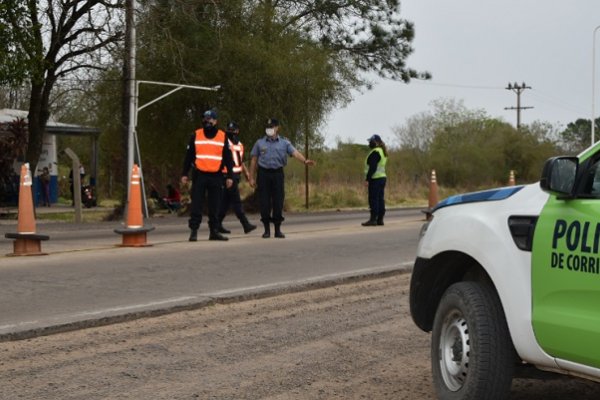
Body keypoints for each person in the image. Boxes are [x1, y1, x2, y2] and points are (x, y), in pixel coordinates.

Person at [249, 118, 316, 239]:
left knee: (278, 202)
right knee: (264, 202)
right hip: (263, 174)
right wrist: (251, 177)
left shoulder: (284, 143)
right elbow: (254, 160)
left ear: (277, 128)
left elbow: (295, 153)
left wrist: (305, 161)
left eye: (272, 126)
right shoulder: (259, 143)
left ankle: (277, 230)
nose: (270, 129)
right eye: (268, 127)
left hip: (277, 174)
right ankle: (266, 230)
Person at [181, 110, 234, 241]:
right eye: (205, 118)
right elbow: (189, 157)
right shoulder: (196, 135)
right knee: (196, 204)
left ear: (215, 121)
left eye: (210, 119)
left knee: (214, 205)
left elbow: (228, 158)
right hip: (199, 175)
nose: (207, 121)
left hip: (216, 175)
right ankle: (194, 231)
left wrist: (230, 176)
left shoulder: (222, 136)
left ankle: (214, 231)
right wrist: (184, 173)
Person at [217, 121, 257, 234]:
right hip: (227, 176)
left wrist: (247, 174)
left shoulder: (240, 145)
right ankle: (245, 224)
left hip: (237, 175)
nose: (231, 132)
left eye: (233, 130)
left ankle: (216, 224)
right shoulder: (224, 143)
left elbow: (241, 161)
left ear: (237, 131)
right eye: (229, 130)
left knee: (225, 202)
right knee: (236, 201)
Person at [362, 134, 388, 226]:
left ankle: (373, 219)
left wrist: (367, 179)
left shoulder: (375, 152)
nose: (369, 143)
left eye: (371, 142)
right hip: (382, 178)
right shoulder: (382, 151)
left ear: (376, 142)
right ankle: (380, 219)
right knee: (380, 199)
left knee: (373, 199)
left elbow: (372, 167)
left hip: (375, 179)